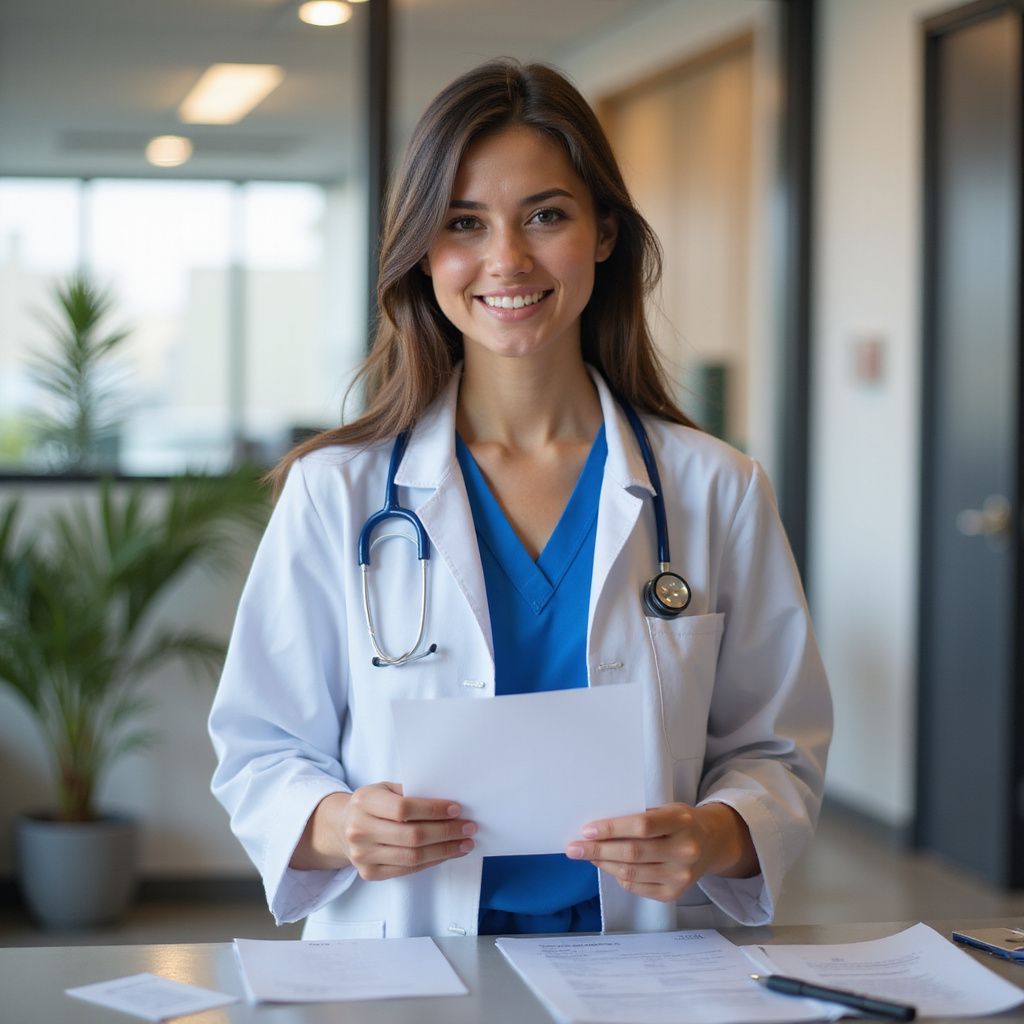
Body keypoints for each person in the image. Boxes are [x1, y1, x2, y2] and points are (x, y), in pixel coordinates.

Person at [208, 58, 831, 941]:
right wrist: (341, 825)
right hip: (404, 961)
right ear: (424, 251)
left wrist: (716, 833)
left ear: (604, 232)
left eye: (546, 214)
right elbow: (261, 749)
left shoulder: (714, 488)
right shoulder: (335, 493)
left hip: (645, 965)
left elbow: (778, 749)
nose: (507, 259)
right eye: (465, 222)